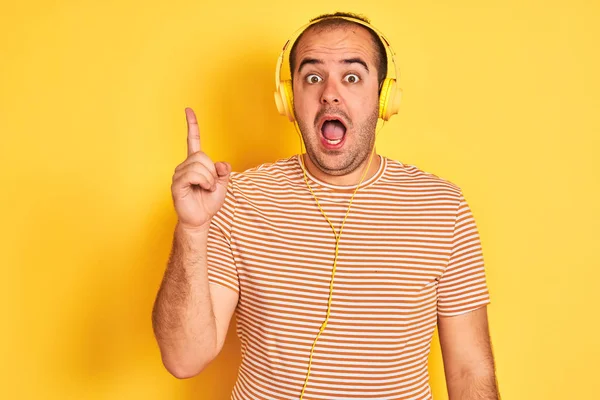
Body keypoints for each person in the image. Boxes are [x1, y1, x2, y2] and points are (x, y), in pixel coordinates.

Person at [152, 11, 500, 400]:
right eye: (312, 77)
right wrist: (193, 230)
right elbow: (184, 360)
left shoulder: (443, 208)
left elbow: (471, 371)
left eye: (352, 77)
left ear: (383, 97)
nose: (330, 93)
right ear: (289, 100)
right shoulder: (234, 199)